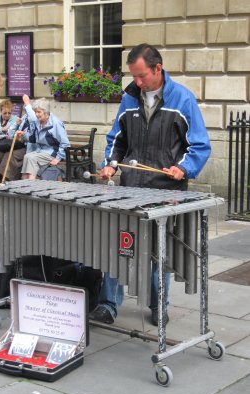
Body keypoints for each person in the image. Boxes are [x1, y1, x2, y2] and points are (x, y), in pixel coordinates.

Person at [89, 43, 211, 326]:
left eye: (142, 76)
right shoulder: (129, 98)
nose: (138, 82)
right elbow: (116, 140)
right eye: (134, 76)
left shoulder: (182, 100)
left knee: (159, 252)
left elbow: (200, 145)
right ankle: (108, 304)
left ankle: (158, 304)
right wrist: (110, 163)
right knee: (116, 246)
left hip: (165, 190)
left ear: (158, 68)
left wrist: (183, 168)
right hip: (130, 187)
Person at [18, 95, 70, 180]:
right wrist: (23, 135)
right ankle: (25, 185)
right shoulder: (38, 122)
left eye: (39, 112)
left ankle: (30, 185)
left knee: (31, 158)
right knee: (27, 156)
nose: (36, 114)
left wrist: (58, 158)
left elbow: (65, 143)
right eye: (35, 112)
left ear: (46, 112)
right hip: (42, 151)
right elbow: (33, 138)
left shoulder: (56, 124)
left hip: (53, 153)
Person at [0, 100, 27, 182]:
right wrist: (2, 129)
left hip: (11, 143)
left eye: (9, 113)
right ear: (1, 111)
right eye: (5, 113)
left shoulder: (16, 119)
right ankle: (0, 175)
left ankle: (5, 177)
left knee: (5, 152)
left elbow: (12, 132)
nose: (7, 115)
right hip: (0, 142)